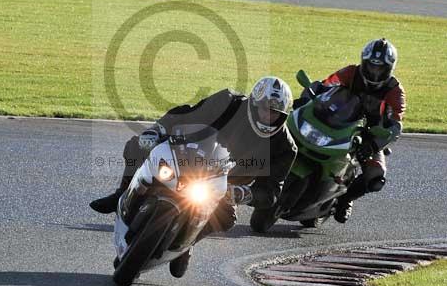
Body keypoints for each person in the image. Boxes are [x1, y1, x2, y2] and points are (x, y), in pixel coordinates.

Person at [91, 77, 298, 268]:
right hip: (188, 155)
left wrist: (244, 194)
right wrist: (157, 129)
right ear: (254, 103)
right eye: (264, 109)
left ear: (283, 116)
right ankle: (123, 192)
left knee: (226, 218)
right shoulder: (228, 102)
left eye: (275, 113)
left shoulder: (285, 148)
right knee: (137, 146)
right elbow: (185, 113)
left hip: (222, 185)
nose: (268, 116)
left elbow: (271, 192)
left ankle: (188, 243)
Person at [318, 38, 406, 223]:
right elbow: (324, 85)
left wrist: (374, 145)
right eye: (371, 66)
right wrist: (308, 98)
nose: (374, 72)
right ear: (364, 62)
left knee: (376, 175)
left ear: (389, 68)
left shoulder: (395, 91)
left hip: (369, 134)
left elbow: (395, 126)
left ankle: (345, 199)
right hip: (338, 121)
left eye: (380, 68)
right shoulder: (350, 72)